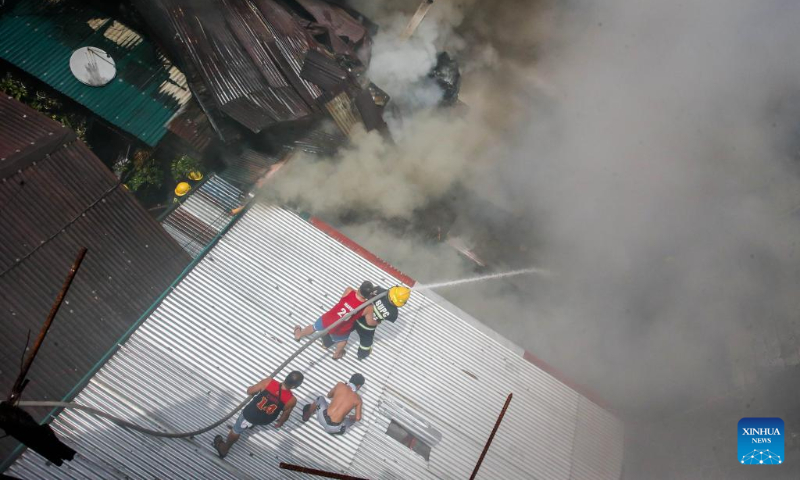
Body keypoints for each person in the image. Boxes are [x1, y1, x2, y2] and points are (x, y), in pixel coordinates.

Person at [212, 371, 304, 459]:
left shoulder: (268, 382)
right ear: (294, 386)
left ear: (286, 377)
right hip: (266, 419)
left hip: (250, 415)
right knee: (255, 419)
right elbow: (285, 415)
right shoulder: (292, 400)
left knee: (236, 430)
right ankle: (250, 425)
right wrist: (280, 423)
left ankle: (224, 449)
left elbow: (249, 391)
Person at [322, 285, 411, 360]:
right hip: (368, 327)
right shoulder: (393, 313)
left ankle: (326, 343)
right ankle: (362, 355)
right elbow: (383, 319)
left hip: (356, 317)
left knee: (340, 330)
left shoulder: (379, 290)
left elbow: (367, 295)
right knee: (366, 342)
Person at [293, 281, 375, 360]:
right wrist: (377, 322)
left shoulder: (349, 290)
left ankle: (298, 335)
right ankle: (336, 354)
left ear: (359, 288)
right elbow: (370, 322)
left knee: (313, 327)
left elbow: (350, 297)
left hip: (328, 319)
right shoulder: (368, 307)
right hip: (341, 329)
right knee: (343, 341)